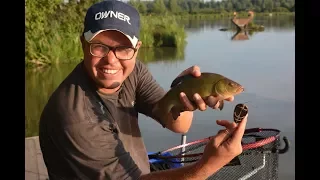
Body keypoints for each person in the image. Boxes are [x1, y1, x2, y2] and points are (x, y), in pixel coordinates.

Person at [39, 0, 248, 179]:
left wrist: (182, 95)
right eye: (99, 46)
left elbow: (177, 124)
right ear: (84, 44)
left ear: (136, 49)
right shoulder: (74, 114)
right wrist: (209, 165)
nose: (111, 60)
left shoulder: (132, 71)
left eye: (123, 48)